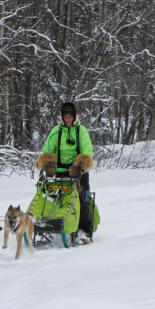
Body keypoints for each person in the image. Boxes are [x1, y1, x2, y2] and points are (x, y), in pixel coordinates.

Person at [35, 102, 95, 239]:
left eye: (71, 117)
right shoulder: (56, 131)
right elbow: (48, 149)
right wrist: (48, 165)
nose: (68, 120)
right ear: (62, 117)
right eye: (66, 117)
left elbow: (87, 151)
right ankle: (53, 224)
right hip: (61, 171)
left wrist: (79, 168)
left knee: (81, 198)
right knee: (54, 197)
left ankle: (84, 230)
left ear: (74, 117)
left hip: (79, 172)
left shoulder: (81, 131)